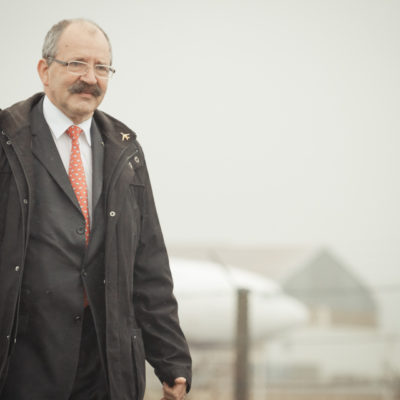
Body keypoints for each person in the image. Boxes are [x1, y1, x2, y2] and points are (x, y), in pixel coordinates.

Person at [0, 18, 191, 400]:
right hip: (22, 365)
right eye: (76, 64)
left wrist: (171, 360)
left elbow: (149, 264)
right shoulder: (7, 141)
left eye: (101, 67)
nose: (90, 78)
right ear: (44, 70)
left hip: (106, 367)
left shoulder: (126, 152)